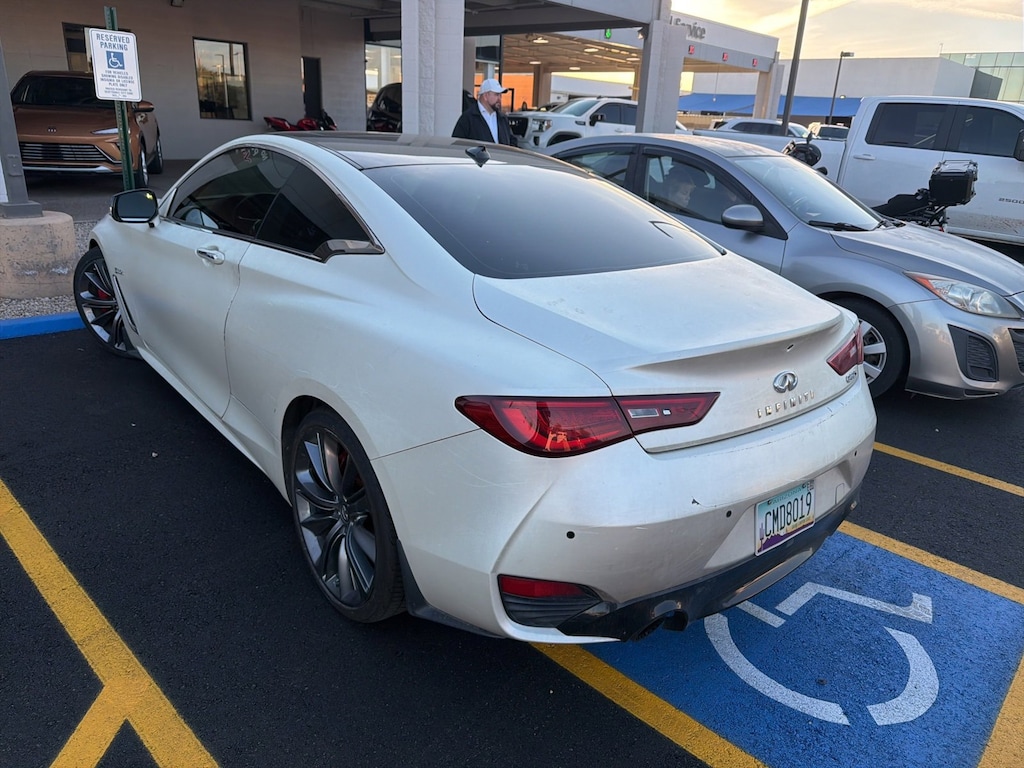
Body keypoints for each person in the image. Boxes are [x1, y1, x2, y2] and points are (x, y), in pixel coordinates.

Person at [452, 78, 518, 147]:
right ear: (486, 96)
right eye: (496, 94)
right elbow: (457, 146)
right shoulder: (468, 118)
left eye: (500, 95)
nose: (499, 99)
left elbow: (512, 142)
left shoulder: (502, 118)